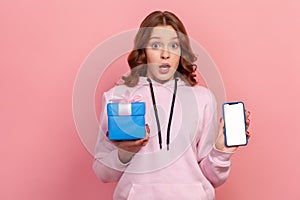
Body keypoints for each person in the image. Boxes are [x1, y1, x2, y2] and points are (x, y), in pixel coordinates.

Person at [93, 10, 251, 200]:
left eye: (174, 45)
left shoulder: (203, 99)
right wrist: (125, 152)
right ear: (143, 50)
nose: (165, 54)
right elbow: (103, 173)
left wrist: (221, 151)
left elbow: (213, 178)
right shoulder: (118, 98)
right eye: (156, 45)